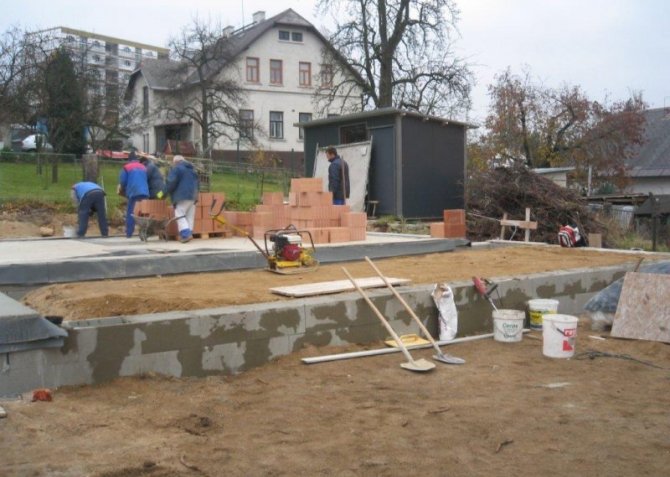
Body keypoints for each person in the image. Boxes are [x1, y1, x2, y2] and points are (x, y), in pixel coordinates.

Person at [166, 155, 199, 243]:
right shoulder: (192, 170)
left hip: (182, 196)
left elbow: (171, 183)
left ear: (176, 162)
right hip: (193, 197)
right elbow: (198, 184)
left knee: (179, 214)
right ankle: (189, 233)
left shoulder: (177, 169)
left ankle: (186, 234)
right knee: (189, 216)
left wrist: (164, 193)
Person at [118, 150, 149, 238]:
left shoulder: (127, 167)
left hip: (134, 192)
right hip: (145, 192)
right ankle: (144, 232)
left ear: (129, 159)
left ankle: (129, 233)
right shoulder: (143, 167)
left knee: (131, 212)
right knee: (143, 213)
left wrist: (122, 189)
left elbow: (123, 181)